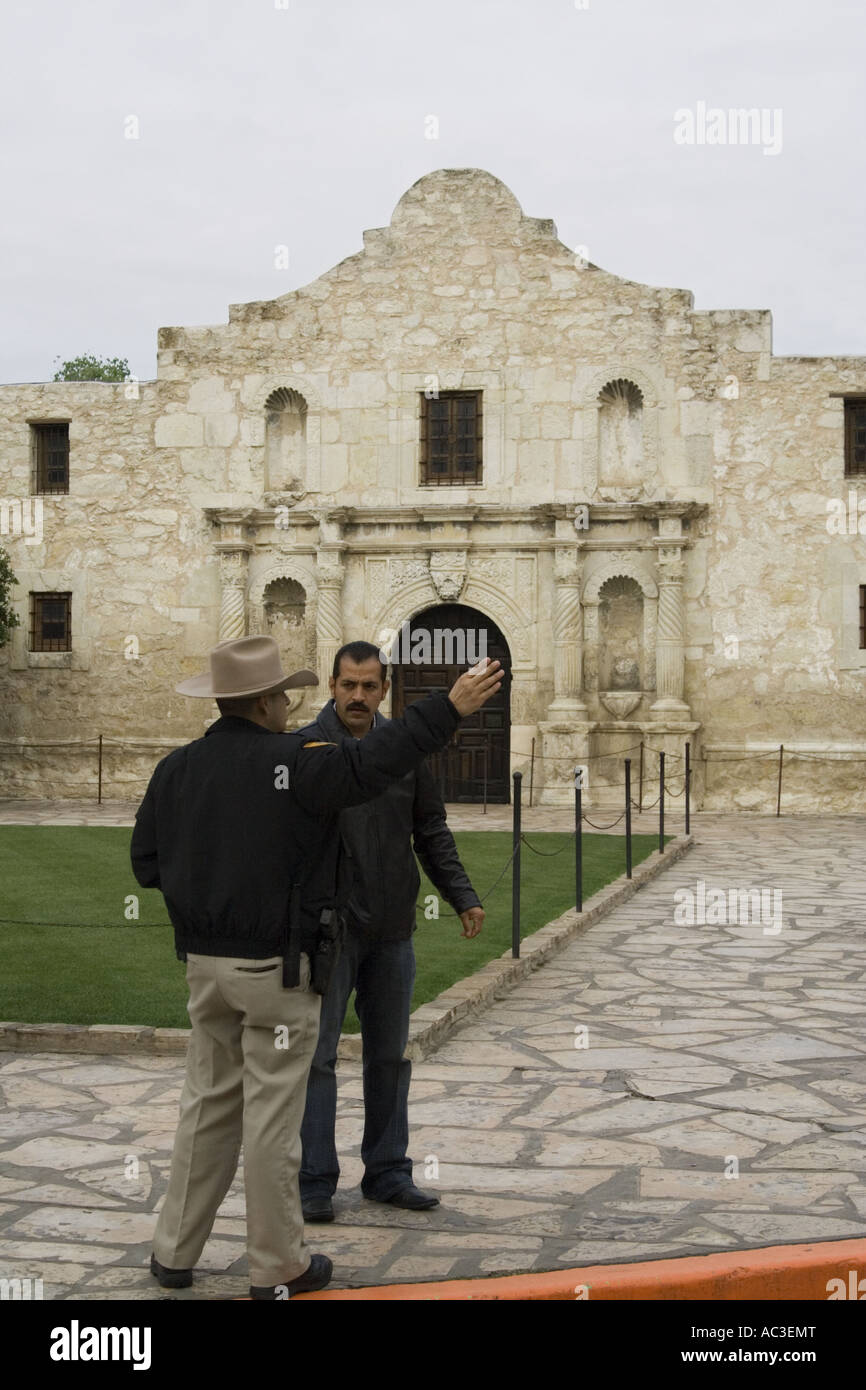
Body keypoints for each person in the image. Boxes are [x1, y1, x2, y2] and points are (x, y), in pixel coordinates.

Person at [129, 634, 501, 1299]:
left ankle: (173, 1252)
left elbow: (147, 864)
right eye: (283, 694)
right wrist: (445, 708)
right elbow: (371, 764)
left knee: (206, 1110)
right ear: (271, 700)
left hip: (205, 968)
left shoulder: (176, 768)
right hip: (275, 971)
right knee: (273, 1117)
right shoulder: (298, 760)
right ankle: (279, 1264)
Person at [299, 641, 485, 1220]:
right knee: (318, 1059)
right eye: (348, 685)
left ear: (385, 690)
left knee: (388, 1057)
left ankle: (386, 1171)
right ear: (332, 686)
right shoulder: (308, 748)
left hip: (391, 929)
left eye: (369, 686)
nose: (358, 696)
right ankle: (313, 1181)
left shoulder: (403, 753)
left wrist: (461, 895)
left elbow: (429, 828)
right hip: (329, 933)